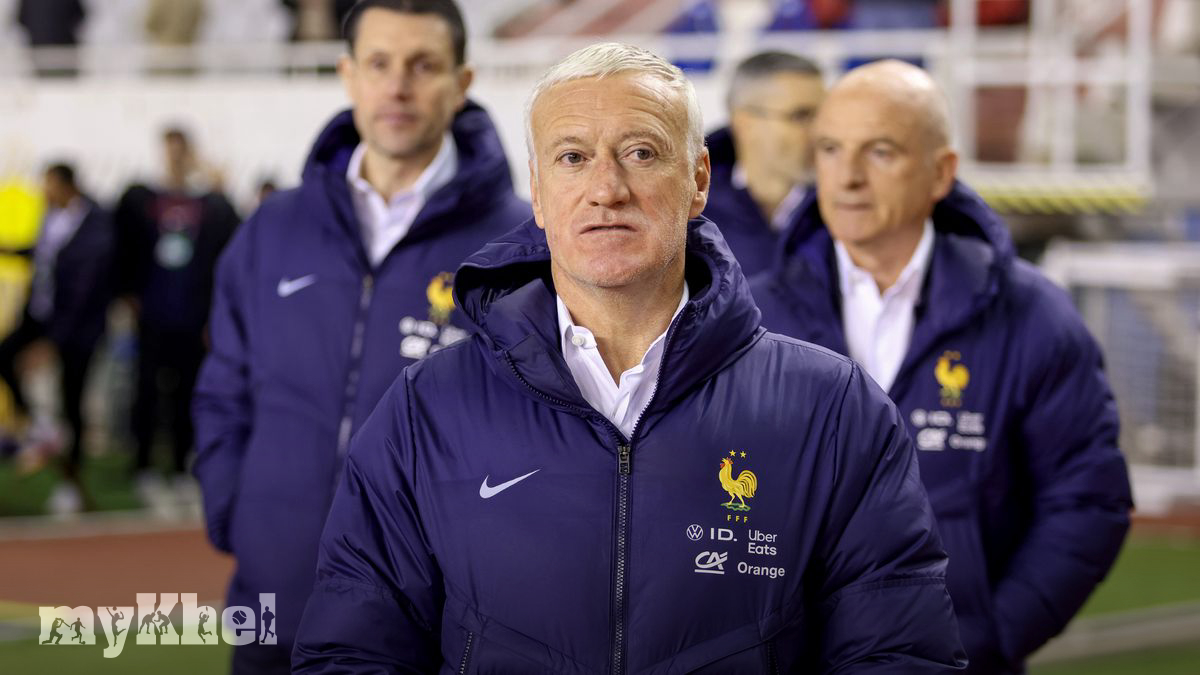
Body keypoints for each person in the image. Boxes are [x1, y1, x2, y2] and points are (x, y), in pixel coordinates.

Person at [293, 42, 964, 673]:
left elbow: (898, 655)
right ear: (538, 193)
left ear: (698, 179)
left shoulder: (835, 410)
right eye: (572, 157)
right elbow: (353, 650)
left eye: (641, 153)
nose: (607, 188)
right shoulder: (427, 410)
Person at [751, 60, 1133, 674]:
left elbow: (1087, 500)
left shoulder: (1031, 315)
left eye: (880, 152)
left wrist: (989, 637)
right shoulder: (753, 317)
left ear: (941, 172)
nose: (847, 177)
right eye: (830, 149)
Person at [192, 1, 531, 672]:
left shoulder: (518, 247)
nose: (397, 87)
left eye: (423, 65)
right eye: (379, 64)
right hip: (271, 606)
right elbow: (224, 388)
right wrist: (234, 508)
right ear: (348, 75)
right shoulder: (273, 228)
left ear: (462, 83)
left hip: (425, 628)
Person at [113, 128, 239, 505]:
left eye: (181, 150)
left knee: (188, 392)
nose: (175, 157)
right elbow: (123, 248)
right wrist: (128, 296)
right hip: (153, 315)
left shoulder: (210, 203)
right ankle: (144, 465)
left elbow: (227, 250)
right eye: (170, 150)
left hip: (192, 316)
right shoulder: (143, 198)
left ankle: (184, 464)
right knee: (147, 391)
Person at [0, 163, 114, 514]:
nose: (44, 192)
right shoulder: (51, 216)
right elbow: (44, 254)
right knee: (4, 356)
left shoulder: (96, 227)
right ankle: (40, 428)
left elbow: (83, 293)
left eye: (49, 185)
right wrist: (9, 250)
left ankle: (71, 483)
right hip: (41, 316)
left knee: (71, 400)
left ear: (67, 186)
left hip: (77, 330)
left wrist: (51, 344)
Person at [702, 51, 823, 275]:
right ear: (745, 122)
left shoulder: (845, 204)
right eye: (801, 116)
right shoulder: (689, 211)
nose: (820, 132)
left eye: (823, 116)